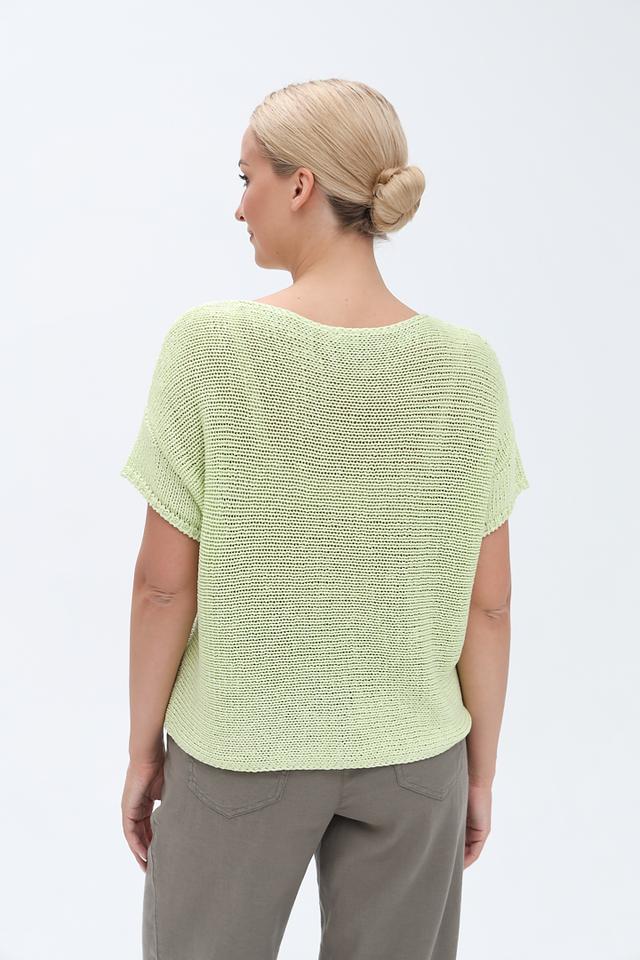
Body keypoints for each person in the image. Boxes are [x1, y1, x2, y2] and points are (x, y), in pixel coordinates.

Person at [119, 78, 529, 960]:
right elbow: (488, 604)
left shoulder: (212, 346)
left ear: (300, 185)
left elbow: (162, 588)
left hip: (240, 750)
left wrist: (144, 751)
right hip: (417, 761)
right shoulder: (466, 367)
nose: (240, 207)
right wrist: (480, 772)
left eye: (248, 178)